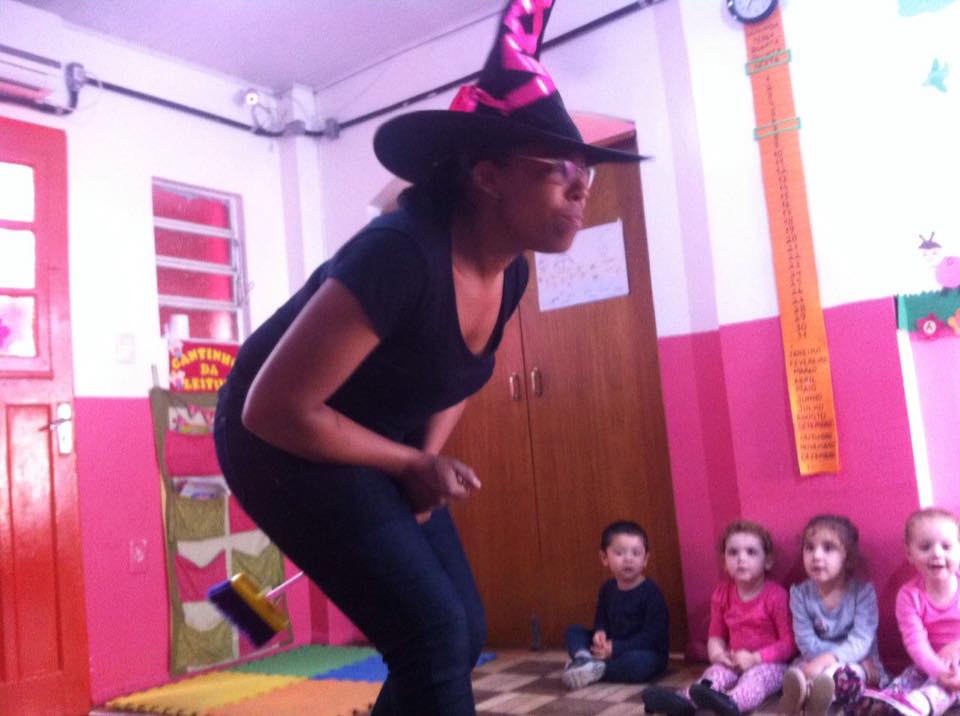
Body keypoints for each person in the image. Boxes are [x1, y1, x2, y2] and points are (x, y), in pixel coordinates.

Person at [212, 1, 643, 714]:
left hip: (369, 434)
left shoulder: (510, 271)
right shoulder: (400, 254)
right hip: (273, 436)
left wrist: (425, 464)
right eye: (559, 169)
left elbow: (457, 374)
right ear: (488, 176)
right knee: (432, 635)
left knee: (459, 630)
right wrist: (408, 463)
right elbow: (275, 409)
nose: (581, 187)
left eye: (587, 172)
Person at [642, 520, 795, 716]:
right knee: (713, 675)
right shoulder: (722, 594)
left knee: (755, 680)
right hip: (733, 660)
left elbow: (789, 643)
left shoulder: (776, 596)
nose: (741, 558)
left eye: (751, 552)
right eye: (733, 552)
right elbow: (716, 635)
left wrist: (755, 658)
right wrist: (717, 655)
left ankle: (732, 703)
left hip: (770, 665)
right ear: (724, 562)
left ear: (767, 561)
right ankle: (683, 702)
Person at [850, 508, 960, 716]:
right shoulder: (909, 595)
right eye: (925, 547)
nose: (937, 553)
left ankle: (920, 704)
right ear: (910, 554)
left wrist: (956, 648)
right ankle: (883, 703)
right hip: (928, 662)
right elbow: (915, 642)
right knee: (908, 678)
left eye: (946, 546)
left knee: (947, 686)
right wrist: (937, 670)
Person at [779, 514, 886, 716]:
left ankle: (814, 699)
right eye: (809, 548)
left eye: (828, 548)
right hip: (812, 658)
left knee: (846, 676)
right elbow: (805, 641)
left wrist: (828, 660)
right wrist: (818, 663)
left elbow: (861, 640)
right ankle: (804, 699)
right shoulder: (799, 594)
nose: (816, 556)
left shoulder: (862, 593)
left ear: (848, 557)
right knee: (797, 674)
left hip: (859, 659)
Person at [560, 520, 670, 690]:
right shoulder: (607, 589)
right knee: (573, 631)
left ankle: (598, 669)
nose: (628, 559)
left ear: (645, 559)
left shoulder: (651, 592)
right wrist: (600, 632)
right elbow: (601, 617)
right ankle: (584, 659)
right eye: (619, 553)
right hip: (610, 646)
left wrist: (616, 648)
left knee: (638, 664)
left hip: (642, 650)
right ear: (604, 558)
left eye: (636, 553)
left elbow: (653, 637)